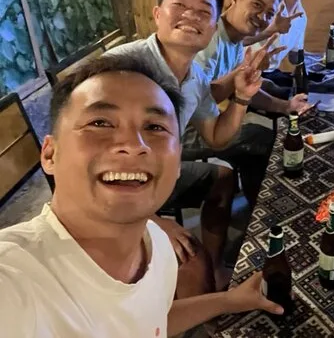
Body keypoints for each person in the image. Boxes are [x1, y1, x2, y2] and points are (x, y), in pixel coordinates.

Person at [0, 55, 284, 337]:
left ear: (177, 162)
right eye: (100, 123)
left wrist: (229, 301)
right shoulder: (17, 281)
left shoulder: (156, 245)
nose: (133, 145)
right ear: (50, 154)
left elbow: (149, 321)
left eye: (154, 127)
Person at [106, 0, 269, 294]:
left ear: (213, 27)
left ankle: (216, 266)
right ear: (157, 14)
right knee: (189, 271)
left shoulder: (195, 77)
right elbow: (85, 163)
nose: (191, 16)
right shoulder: (119, 68)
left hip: (158, 176)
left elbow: (216, 137)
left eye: (204, 12)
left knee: (222, 178)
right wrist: (151, 219)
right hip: (113, 192)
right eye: (179, 5)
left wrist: (241, 97)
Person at [196, 0, 311, 115]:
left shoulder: (236, 42)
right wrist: (246, 69)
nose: (262, 17)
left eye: (270, 14)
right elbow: (199, 101)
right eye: (257, 5)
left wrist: (286, 106)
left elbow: (240, 88)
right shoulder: (207, 37)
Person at [246, 0, 318, 88]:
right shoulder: (264, 4)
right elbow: (235, 40)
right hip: (243, 73)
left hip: (270, 74)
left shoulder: (301, 16)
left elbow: (295, 57)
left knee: (317, 88)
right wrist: (269, 31)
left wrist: (320, 59)